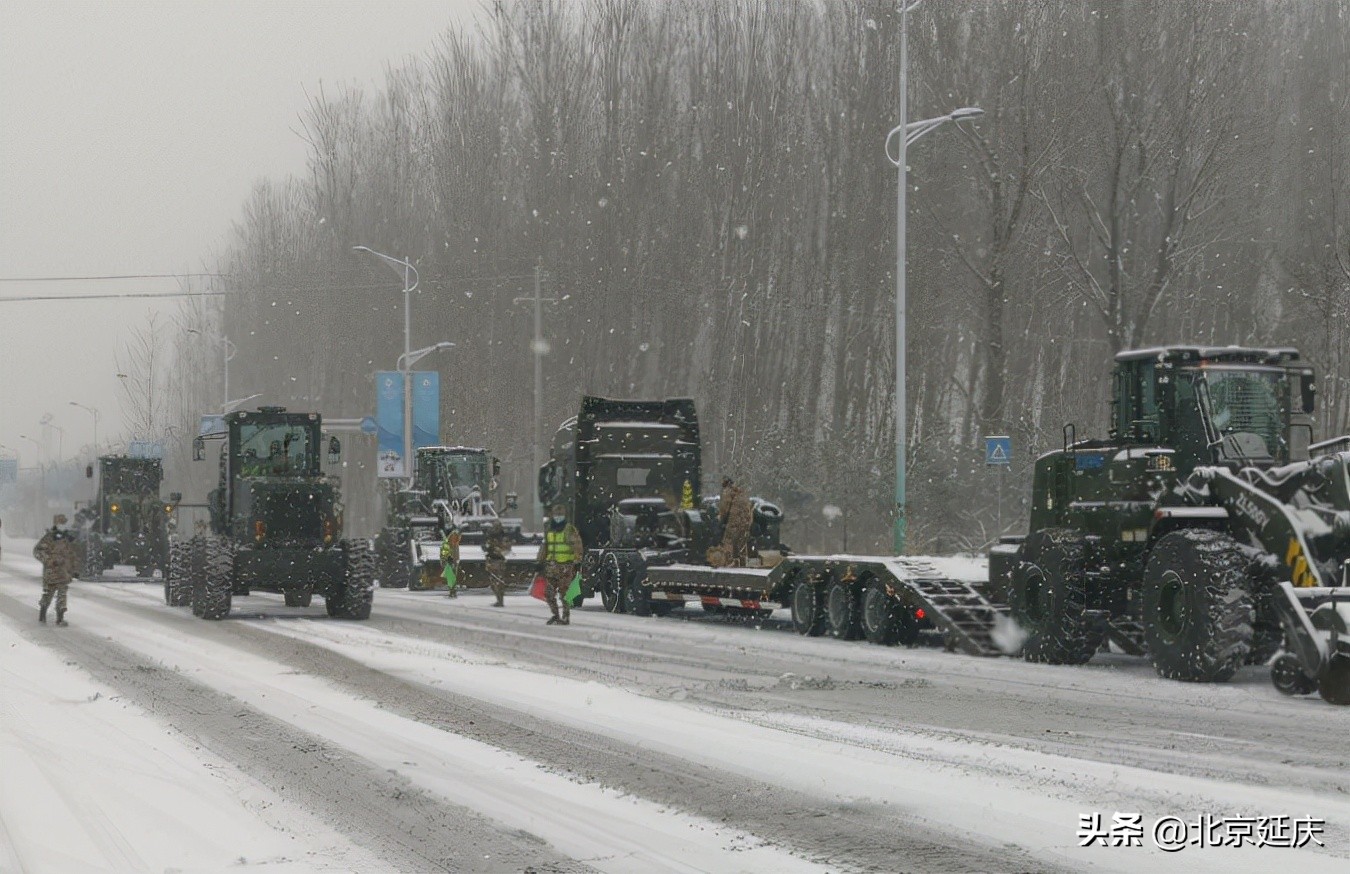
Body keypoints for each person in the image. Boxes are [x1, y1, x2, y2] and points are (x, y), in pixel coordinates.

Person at [536, 502, 583, 625]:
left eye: (560, 514)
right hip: (551, 567)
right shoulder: (549, 530)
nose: (558, 517)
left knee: (564, 594)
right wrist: (539, 561)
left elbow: (577, 546)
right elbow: (544, 547)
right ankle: (555, 615)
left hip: (565, 567)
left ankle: (566, 616)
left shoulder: (569, 530)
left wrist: (577, 561)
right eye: (556, 514)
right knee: (548, 593)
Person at [34, 514, 79, 626]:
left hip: (64, 572)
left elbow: (72, 555)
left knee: (62, 595)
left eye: (64, 523)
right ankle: (43, 613)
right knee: (48, 593)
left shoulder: (67, 539)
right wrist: (49, 560)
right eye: (61, 523)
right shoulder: (49, 538)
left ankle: (60, 617)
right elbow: (38, 551)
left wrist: (74, 569)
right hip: (52, 572)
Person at [717, 476, 754, 567]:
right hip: (746, 520)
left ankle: (728, 561)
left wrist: (720, 519)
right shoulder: (741, 491)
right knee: (741, 540)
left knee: (729, 539)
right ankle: (742, 561)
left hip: (735, 519)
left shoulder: (728, 491)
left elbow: (725, 508)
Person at [484, 520, 512, 607]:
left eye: (496, 526)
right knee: (493, 582)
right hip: (491, 560)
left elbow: (507, 549)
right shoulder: (490, 536)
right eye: (494, 526)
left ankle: (500, 601)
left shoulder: (503, 537)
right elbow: (487, 547)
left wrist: (500, 551)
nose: (494, 528)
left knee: (499, 582)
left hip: (499, 561)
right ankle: (498, 600)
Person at [441, 524, 462, 597]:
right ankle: (452, 591)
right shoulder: (453, 535)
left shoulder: (452, 536)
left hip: (451, 558)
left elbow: (451, 547)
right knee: (451, 575)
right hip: (452, 558)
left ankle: (452, 591)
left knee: (451, 575)